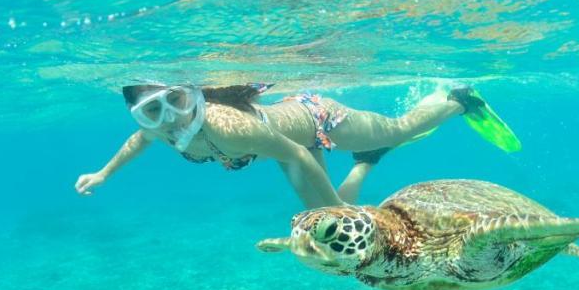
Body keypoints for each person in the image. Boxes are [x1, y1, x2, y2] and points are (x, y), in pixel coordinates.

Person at [74, 83, 520, 208]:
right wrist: (103, 173)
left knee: (399, 129)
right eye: (154, 111)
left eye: (176, 101)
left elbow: (298, 154)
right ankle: (366, 163)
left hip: (315, 121)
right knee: (326, 213)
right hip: (286, 141)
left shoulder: (227, 128)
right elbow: (140, 139)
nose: (172, 118)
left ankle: (457, 100)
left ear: (191, 93)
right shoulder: (158, 129)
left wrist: (341, 214)